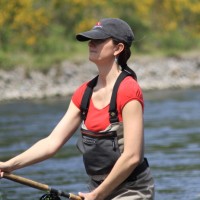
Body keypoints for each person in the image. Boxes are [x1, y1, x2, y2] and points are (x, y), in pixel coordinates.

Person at [0, 18, 154, 200]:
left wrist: (97, 194)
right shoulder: (83, 93)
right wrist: (9, 166)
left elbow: (132, 156)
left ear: (118, 48)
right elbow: (51, 143)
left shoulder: (128, 90)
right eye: (90, 39)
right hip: (97, 189)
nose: (91, 44)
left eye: (99, 40)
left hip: (132, 189)